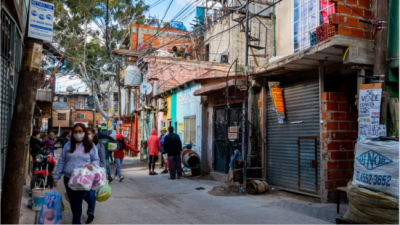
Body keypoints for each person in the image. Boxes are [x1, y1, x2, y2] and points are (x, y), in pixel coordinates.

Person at [53, 123, 100, 224]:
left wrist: (91, 165)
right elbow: (61, 161)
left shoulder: (90, 145)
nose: (78, 134)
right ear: (72, 133)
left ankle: (76, 222)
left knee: (77, 202)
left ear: (84, 132)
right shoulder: (68, 145)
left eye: (80, 131)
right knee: (73, 203)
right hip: (68, 178)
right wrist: (56, 177)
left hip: (82, 179)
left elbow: (96, 160)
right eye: (75, 131)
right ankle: (77, 221)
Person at [82, 128, 106, 224]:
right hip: (82, 173)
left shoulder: (99, 145)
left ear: (93, 134)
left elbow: (102, 160)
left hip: (94, 172)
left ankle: (91, 213)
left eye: (89, 134)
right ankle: (90, 205)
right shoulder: (81, 144)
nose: (87, 135)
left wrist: (105, 173)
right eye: (86, 133)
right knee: (83, 193)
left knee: (91, 193)